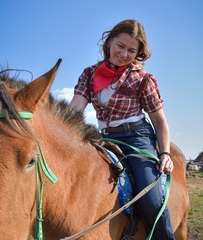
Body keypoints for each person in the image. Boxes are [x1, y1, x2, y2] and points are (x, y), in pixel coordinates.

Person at [70, 19, 175, 239]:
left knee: (152, 200)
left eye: (131, 50)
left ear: (138, 54)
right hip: (102, 137)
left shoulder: (143, 79)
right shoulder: (89, 74)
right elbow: (75, 109)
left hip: (137, 137)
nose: (124, 54)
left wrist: (164, 153)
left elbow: (159, 121)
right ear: (109, 42)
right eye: (121, 46)